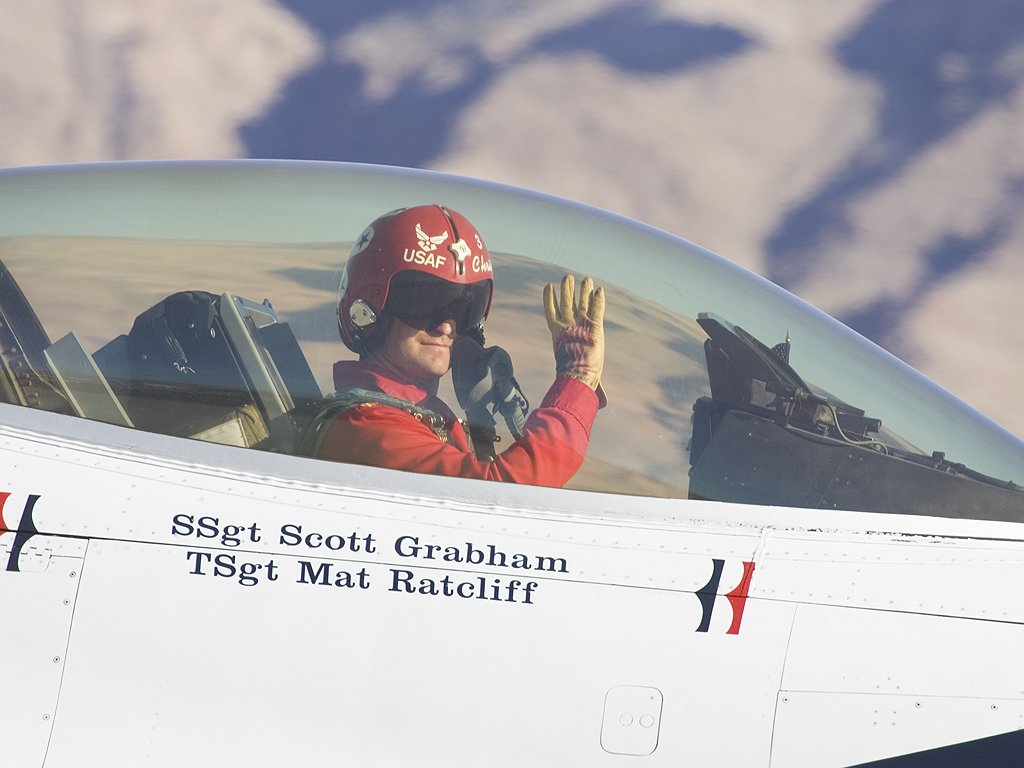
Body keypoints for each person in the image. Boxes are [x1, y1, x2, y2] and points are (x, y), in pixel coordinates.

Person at [309, 204, 605, 487]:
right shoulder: (368, 426)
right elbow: (499, 493)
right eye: (423, 303)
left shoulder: (420, 420)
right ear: (371, 310)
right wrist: (577, 379)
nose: (446, 327)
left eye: (463, 308)